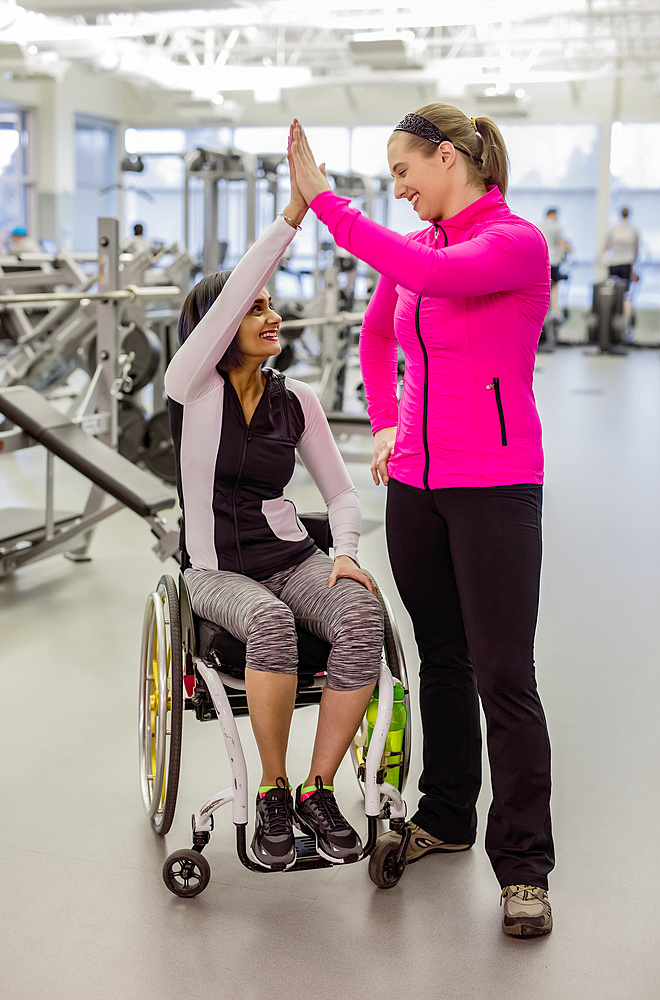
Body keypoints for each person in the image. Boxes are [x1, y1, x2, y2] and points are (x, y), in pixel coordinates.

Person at [290, 107, 555, 937]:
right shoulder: (425, 253)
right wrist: (386, 421)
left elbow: (430, 280)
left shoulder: (509, 241)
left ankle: (524, 871)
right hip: (417, 485)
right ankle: (445, 816)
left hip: (495, 484)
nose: (399, 190)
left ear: (450, 158)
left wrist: (329, 206)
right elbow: (377, 337)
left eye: (405, 172)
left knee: (502, 676)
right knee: (438, 658)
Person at [164, 147, 383, 872]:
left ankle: (319, 788)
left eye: (269, 304)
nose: (271, 314)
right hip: (217, 570)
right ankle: (273, 789)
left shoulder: (299, 400)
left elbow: (341, 491)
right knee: (267, 620)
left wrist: (345, 552)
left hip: (289, 558)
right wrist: (294, 215)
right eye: (254, 308)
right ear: (219, 328)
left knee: (359, 615)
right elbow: (230, 299)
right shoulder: (190, 390)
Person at [604, 206, 639, 335]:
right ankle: (626, 327)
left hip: (614, 263)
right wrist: (634, 270)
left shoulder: (614, 230)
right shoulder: (633, 230)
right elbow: (636, 251)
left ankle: (609, 324)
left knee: (610, 294)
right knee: (626, 295)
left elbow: (606, 247)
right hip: (626, 264)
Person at [539, 207, 572, 314]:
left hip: (541, 261)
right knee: (555, 284)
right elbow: (561, 243)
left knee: (543, 285)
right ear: (553, 215)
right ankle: (554, 308)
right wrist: (569, 249)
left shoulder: (540, 226)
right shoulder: (556, 227)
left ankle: (542, 306)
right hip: (552, 260)